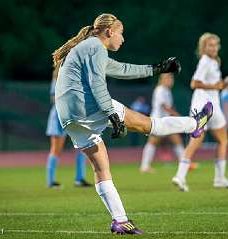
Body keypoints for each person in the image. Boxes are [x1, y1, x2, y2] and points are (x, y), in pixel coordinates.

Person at [53, 13, 213, 235]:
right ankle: (193, 124)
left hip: (69, 118)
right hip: (87, 106)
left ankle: (119, 220)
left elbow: (122, 69)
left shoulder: (90, 48)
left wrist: (156, 69)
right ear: (110, 32)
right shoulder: (95, 47)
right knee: (147, 124)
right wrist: (111, 114)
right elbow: (96, 83)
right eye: (121, 33)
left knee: (100, 167)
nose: (123, 39)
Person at [172, 33, 228, 192]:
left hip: (213, 105)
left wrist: (224, 83)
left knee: (223, 140)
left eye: (216, 45)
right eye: (210, 45)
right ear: (204, 48)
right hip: (203, 105)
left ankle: (220, 179)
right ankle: (180, 176)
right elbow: (194, 83)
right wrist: (217, 86)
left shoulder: (214, 61)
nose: (214, 47)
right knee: (196, 141)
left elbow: (215, 83)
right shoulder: (205, 61)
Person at [46, 69, 92, 188]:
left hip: (75, 115)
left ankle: (79, 179)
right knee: (56, 149)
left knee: (82, 147)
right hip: (59, 116)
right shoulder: (58, 78)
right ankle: (50, 182)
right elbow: (54, 99)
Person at [140, 73, 186, 173]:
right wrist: (177, 115)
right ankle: (144, 166)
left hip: (165, 120)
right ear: (162, 80)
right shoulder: (160, 90)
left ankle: (185, 163)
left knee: (176, 140)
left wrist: (174, 114)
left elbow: (168, 107)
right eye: (168, 78)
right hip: (158, 120)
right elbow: (164, 107)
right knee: (152, 142)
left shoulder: (166, 90)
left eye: (171, 78)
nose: (170, 80)